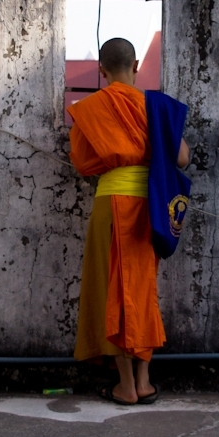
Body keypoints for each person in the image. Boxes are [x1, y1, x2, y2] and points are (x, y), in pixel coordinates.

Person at [68, 37, 189, 405]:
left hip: (110, 203)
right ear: (136, 66)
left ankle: (124, 386)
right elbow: (181, 159)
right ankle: (144, 379)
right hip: (150, 205)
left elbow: (83, 163)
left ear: (102, 71)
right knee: (141, 286)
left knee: (112, 289)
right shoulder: (158, 107)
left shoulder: (92, 108)